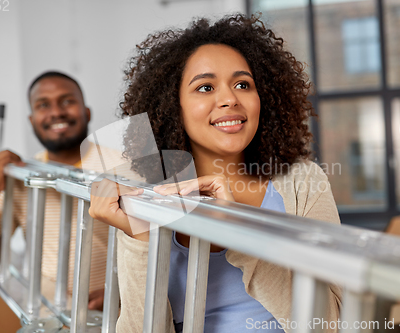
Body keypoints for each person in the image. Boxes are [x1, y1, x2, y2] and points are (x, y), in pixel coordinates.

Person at [89, 14, 342, 332]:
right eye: (205, 87)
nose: (229, 99)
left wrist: (237, 232)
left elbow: (332, 325)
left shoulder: (302, 182)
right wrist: (141, 239)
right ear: (172, 105)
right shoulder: (144, 195)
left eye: (242, 84)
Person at [0, 71, 108, 310]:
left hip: (116, 320)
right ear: (32, 120)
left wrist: (120, 292)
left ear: (86, 112)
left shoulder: (123, 168)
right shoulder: (22, 177)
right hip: (51, 318)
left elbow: (167, 255)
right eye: (43, 105)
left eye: (67, 101)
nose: (56, 112)